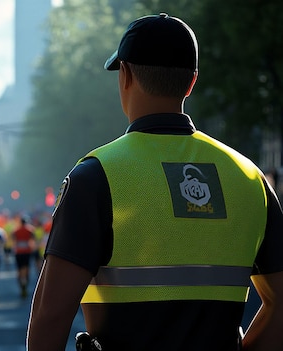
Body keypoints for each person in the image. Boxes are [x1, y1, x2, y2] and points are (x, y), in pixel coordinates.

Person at [26, 13, 283, 351]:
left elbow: (50, 315)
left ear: (126, 75)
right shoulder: (249, 177)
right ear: (192, 82)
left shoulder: (95, 176)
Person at [12, 217, 36, 298]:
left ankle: (21, 283)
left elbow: (13, 239)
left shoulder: (16, 230)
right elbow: (33, 239)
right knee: (26, 268)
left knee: (19, 269)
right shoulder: (30, 229)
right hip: (27, 252)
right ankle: (25, 283)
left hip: (18, 252)